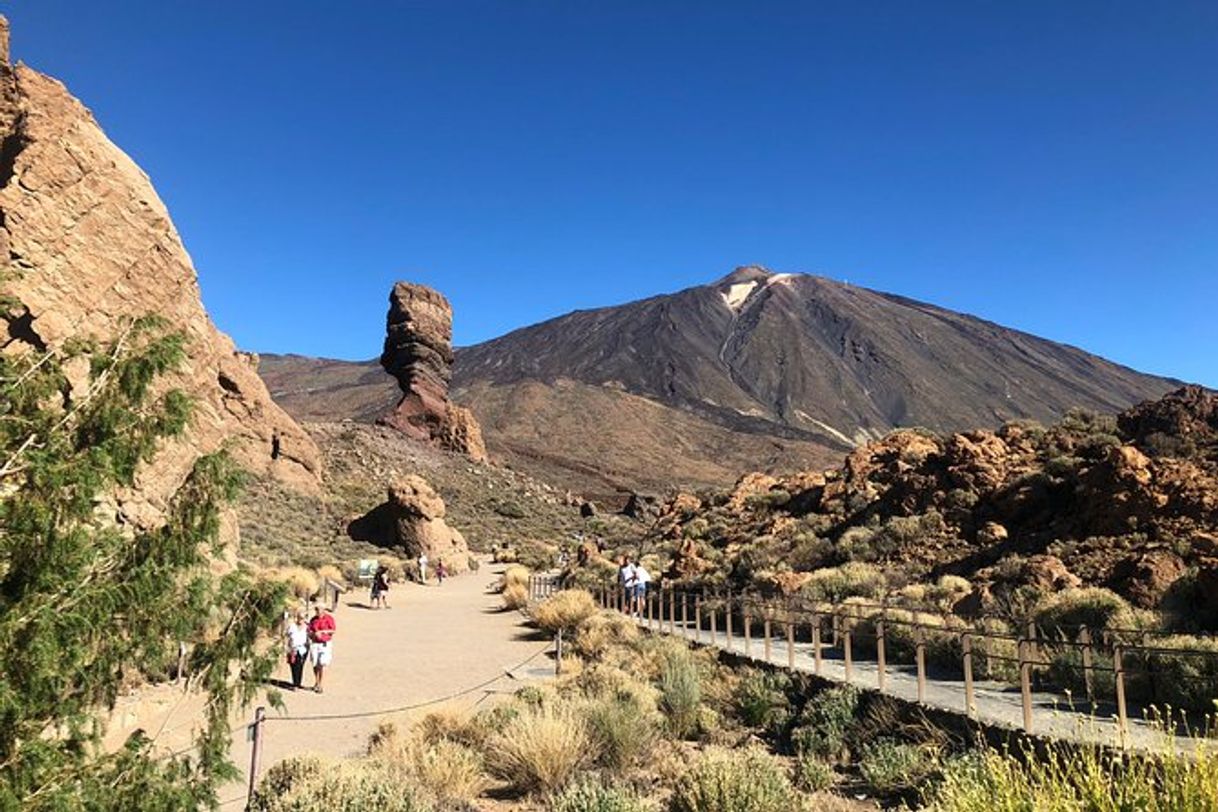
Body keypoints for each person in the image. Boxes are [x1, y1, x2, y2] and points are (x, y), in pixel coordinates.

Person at [307, 604, 336, 693]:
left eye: (319, 609)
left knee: (321, 663)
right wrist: (313, 634)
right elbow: (309, 630)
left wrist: (323, 632)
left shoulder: (329, 618)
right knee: (315, 663)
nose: (318, 611)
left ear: (323, 610)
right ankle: (316, 681)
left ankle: (320, 683)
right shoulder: (313, 619)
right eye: (316, 610)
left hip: (324, 643)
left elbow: (333, 630)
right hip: (315, 643)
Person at [284, 610, 309, 691]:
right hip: (293, 649)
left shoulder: (307, 627)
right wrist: (287, 647)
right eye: (299, 618)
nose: (300, 620)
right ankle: (295, 683)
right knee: (293, 666)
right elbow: (287, 636)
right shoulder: (292, 626)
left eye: (302, 618)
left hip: (303, 649)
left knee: (300, 665)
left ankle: (297, 683)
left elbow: (309, 637)